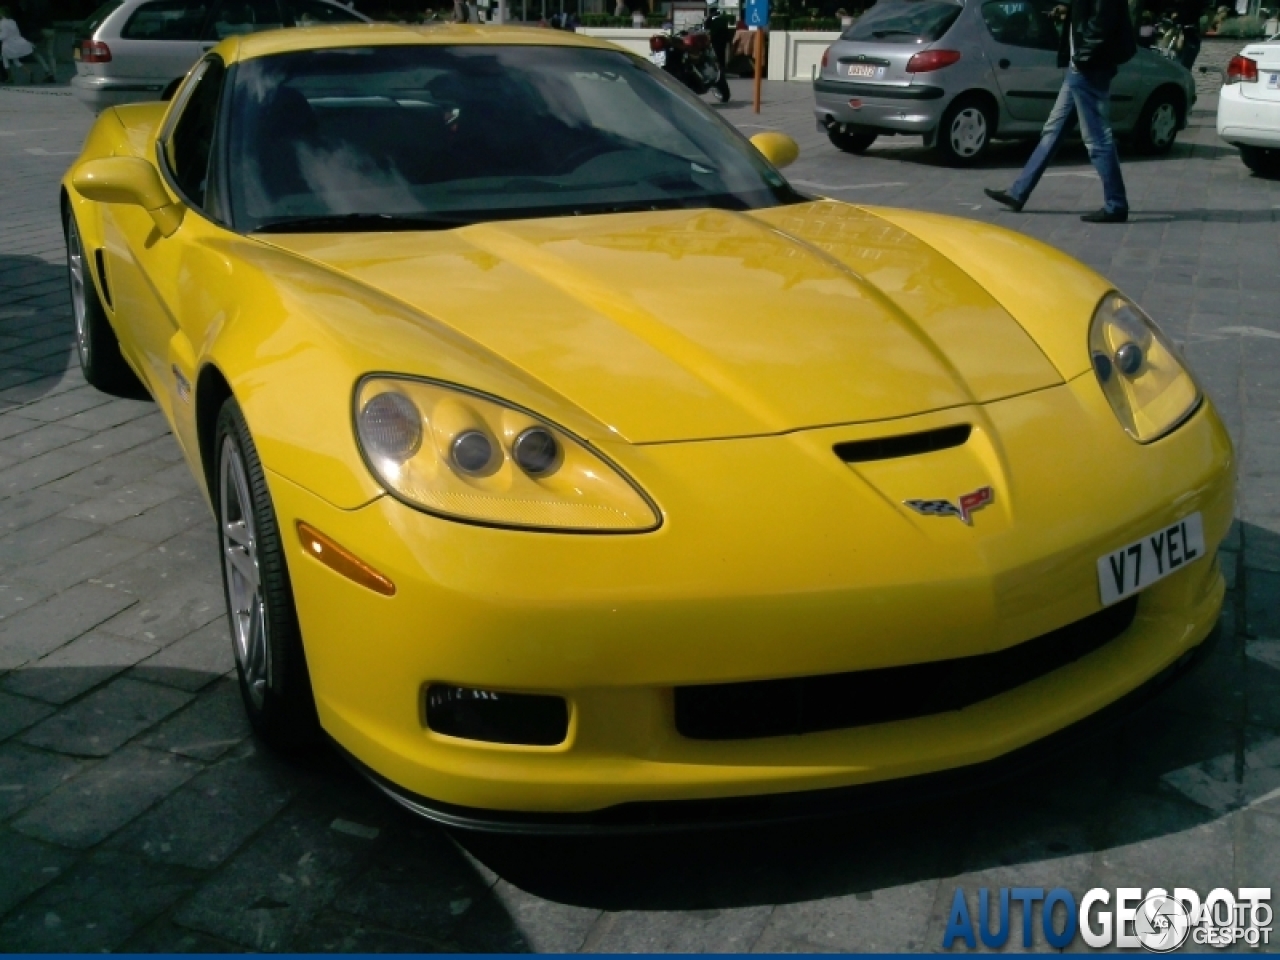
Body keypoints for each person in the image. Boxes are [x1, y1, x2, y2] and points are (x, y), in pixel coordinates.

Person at [984, 0, 1137, 223]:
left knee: (1097, 138)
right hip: (1082, 67)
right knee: (1054, 130)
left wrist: (1083, 56)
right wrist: (1070, 8)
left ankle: (1116, 205)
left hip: (1089, 67)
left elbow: (1103, 22)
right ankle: (1018, 192)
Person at [17, 0, 53, 82]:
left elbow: (33, 19)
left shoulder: (32, 6)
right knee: (50, 54)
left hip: (41, 30)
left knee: (35, 51)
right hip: (51, 28)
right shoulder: (45, 3)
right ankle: (52, 74)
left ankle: (48, 72)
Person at [0, 5, 38, 83]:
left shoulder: (2, 23)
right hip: (17, 42)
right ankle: (29, 72)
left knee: (5, 60)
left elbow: (4, 35)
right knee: (16, 61)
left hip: (8, 44)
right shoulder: (13, 21)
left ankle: (10, 77)